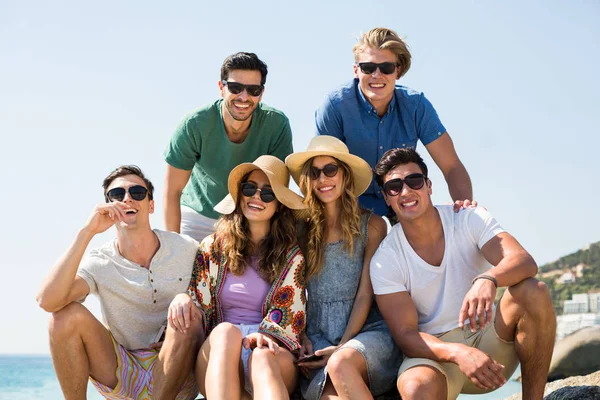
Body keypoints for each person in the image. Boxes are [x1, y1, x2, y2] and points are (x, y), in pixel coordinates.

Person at [370, 148, 556, 400]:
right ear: (386, 198)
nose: (406, 191)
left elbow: (523, 261)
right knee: (415, 387)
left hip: (492, 341)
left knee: (534, 291)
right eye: (394, 187)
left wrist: (488, 279)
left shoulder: (468, 218)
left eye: (414, 180)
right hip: (438, 357)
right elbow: (406, 335)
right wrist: (457, 353)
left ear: (429, 186)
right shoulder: (385, 259)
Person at [36, 165, 201, 400]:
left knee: (186, 314)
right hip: (124, 374)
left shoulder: (186, 248)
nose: (127, 199)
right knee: (63, 317)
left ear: (150, 205)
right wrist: (87, 232)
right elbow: (47, 301)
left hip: (178, 375)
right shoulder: (101, 261)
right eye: (117, 195)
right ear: (108, 207)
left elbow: (215, 301)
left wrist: (185, 304)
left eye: (137, 192)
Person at [168, 155, 307, 400]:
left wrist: (264, 336)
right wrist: (182, 297)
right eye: (249, 188)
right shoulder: (212, 248)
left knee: (262, 355)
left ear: (279, 205)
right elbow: (198, 303)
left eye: (267, 193)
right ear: (239, 194)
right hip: (220, 355)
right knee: (224, 332)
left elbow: (290, 314)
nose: (256, 197)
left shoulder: (291, 255)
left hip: (271, 349)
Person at [285, 136, 402, 400]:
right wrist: (302, 336)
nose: (322, 180)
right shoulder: (301, 229)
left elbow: (365, 293)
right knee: (328, 395)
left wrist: (342, 345)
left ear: (345, 175)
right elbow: (296, 292)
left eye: (330, 170)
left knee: (340, 364)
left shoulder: (373, 225)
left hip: (366, 331)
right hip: (318, 334)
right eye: (315, 173)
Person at [315, 27, 472, 217]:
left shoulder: (416, 106)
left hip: (402, 196)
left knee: (433, 238)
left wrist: (464, 211)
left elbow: (451, 166)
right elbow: (321, 171)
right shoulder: (335, 106)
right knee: (368, 233)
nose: (377, 75)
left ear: (397, 71)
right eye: (368, 68)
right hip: (351, 201)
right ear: (356, 70)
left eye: (386, 68)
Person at [164, 52, 293, 242]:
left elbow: (277, 190)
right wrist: (174, 248)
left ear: (261, 93)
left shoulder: (276, 125)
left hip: (248, 218)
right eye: (235, 87)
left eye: (253, 90)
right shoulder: (194, 124)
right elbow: (172, 191)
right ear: (221, 88)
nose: (243, 97)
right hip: (198, 216)